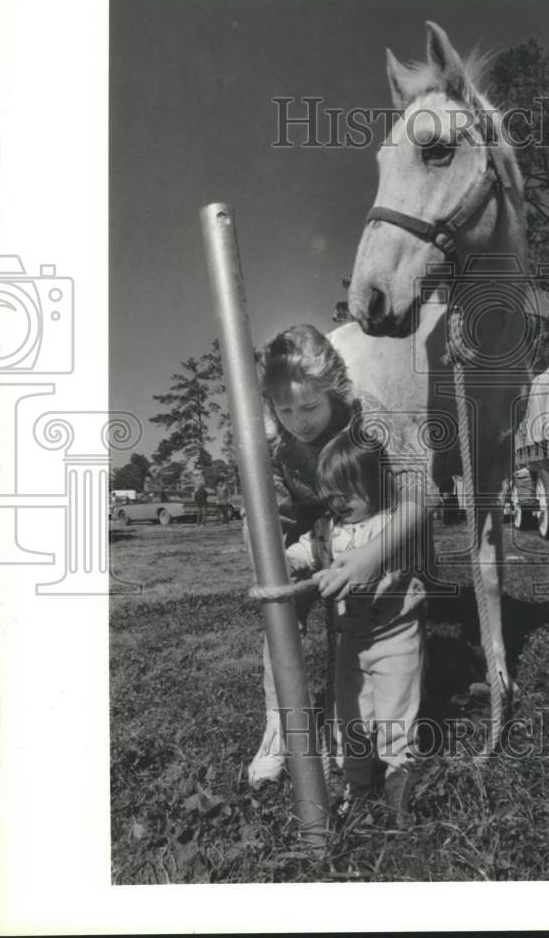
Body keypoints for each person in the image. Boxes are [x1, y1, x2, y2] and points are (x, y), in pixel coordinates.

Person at [243, 323, 427, 786]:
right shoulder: (273, 441)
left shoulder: (368, 416)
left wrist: (371, 554)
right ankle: (282, 725)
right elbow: (265, 519)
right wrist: (276, 571)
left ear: (335, 390)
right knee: (280, 615)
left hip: (376, 525)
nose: (298, 421)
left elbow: (420, 497)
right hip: (310, 525)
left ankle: (393, 724)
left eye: (310, 406)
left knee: (385, 621)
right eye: (285, 409)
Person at [254, 428, 425, 825]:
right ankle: (358, 785)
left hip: (397, 640)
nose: (339, 502)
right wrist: (285, 561)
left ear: (377, 483)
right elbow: (303, 552)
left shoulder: (393, 525)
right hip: (351, 642)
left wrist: (366, 564)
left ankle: (400, 785)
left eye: (349, 491)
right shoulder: (326, 530)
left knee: (397, 715)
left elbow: (404, 550)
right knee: (350, 716)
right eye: (331, 494)